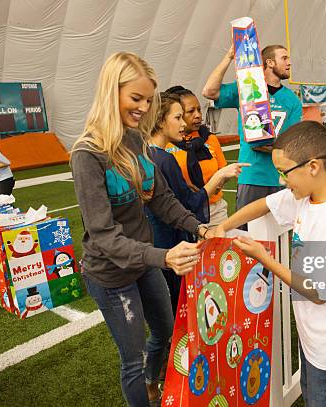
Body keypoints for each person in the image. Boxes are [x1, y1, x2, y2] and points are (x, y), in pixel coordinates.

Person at [70, 51, 209, 407]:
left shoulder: (135, 141)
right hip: (112, 274)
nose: (144, 107)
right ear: (110, 92)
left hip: (144, 263)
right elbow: (104, 236)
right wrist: (163, 256)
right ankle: (143, 389)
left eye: (148, 100)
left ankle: (152, 382)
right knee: (131, 361)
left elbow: (161, 199)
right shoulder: (87, 154)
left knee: (165, 331)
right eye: (136, 98)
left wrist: (199, 228)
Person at [212, 121, 326, 406]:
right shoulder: (310, 196)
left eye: (284, 172)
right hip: (315, 336)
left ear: (313, 167)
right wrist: (225, 226)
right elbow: (265, 204)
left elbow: (317, 293)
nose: (281, 180)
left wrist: (264, 258)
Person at [146, 93, 246, 314]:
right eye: (179, 117)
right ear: (161, 121)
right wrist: (219, 177)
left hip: (154, 243)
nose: (184, 124)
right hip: (171, 242)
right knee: (178, 308)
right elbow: (187, 205)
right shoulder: (164, 159)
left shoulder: (146, 155)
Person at [202, 44, 302, 217]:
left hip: (281, 177)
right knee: (245, 233)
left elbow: (294, 141)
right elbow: (209, 91)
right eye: (284, 58)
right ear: (269, 63)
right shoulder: (247, 88)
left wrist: (271, 147)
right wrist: (229, 57)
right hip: (252, 175)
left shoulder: (292, 100)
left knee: (279, 235)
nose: (289, 63)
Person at [163, 86, 230, 225]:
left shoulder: (210, 139)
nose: (198, 115)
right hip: (183, 211)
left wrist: (217, 184)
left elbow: (223, 169)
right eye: (191, 111)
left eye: (199, 109)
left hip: (215, 210)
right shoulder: (166, 144)